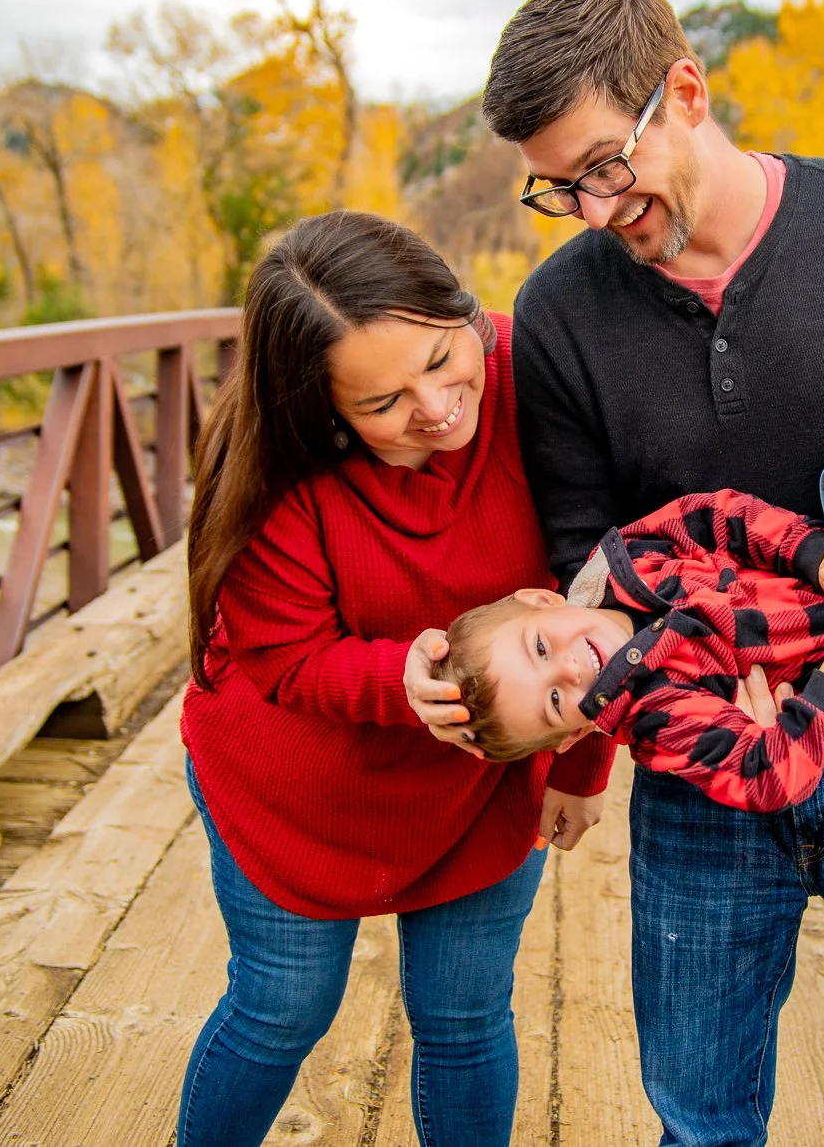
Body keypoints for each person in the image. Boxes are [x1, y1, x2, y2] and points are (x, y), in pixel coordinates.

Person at [407, 0, 824, 1147]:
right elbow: (583, 550)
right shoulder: (559, 310)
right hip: (702, 785)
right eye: (559, 189)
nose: (593, 210)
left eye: (604, 166)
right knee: (701, 1120)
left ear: (684, 92)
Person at [179, 211, 614, 1147]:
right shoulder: (271, 467)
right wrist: (399, 680)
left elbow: (613, 589)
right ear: (322, 410)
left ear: (461, 310)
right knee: (282, 1006)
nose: (437, 406)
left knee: (465, 1016)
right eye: (383, 402)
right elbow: (287, 655)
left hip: (482, 783)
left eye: (442, 356)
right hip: (300, 788)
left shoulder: (533, 369)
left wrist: (584, 762)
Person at [425, 273, 824, 816]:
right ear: (572, 735)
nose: (569, 669)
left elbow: (716, 516)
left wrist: (811, 555)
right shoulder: (657, 716)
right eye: (555, 701)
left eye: (540, 648)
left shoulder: (629, 560)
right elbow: (766, 779)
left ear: (543, 600)